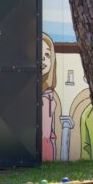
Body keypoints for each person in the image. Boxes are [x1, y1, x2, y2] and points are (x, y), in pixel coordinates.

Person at [41, 33, 59, 161]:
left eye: (47, 55)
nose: (43, 58)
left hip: (46, 145)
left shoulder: (48, 95)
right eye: (39, 52)